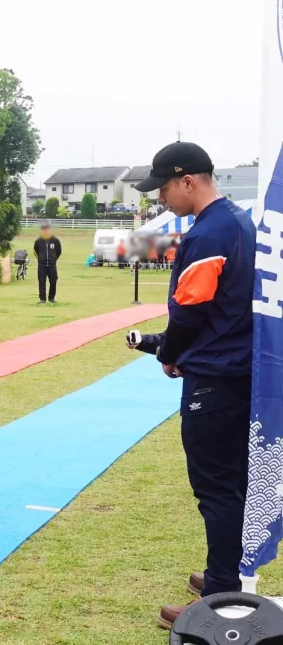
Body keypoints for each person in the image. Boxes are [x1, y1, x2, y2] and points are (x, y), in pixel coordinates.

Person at [124, 142, 254, 630]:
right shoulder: (238, 221)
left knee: (217, 487)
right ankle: (224, 574)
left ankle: (222, 592)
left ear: (188, 181)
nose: (160, 198)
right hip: (237, 372)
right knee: (231, 483)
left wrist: (169, 351)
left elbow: (191, 311)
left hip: (215, 379)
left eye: (162, 188)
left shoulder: (209, 233)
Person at [33, 220, 61, 303]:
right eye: (44, 229)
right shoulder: (38, 241)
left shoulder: (55, 240)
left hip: (52, 265)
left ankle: (51, 298)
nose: (46, 231)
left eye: (47, 229)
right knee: (41, 281)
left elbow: (58, 251)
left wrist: (54, 258)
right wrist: (41, 258)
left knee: (53, 281)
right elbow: (35, 251)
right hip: (42, 265)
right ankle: (42, 299)